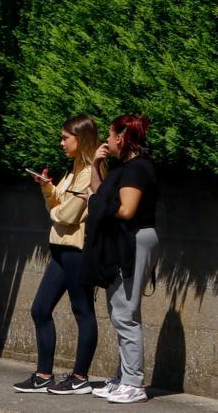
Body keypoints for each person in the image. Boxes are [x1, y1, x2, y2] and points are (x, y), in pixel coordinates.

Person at [12, 115, 101, 395]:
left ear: (81, 139)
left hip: (77, 250)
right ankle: (43, 374)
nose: (61, 142)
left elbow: (70, 214)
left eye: (66, 138)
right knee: (40, 309)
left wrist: (56, 210)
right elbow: (60, 205)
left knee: (83, 311)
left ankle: (79, 377)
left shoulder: (90, 173)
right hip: (60, 248)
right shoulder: (73, 171)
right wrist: (48, 188)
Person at [86, 114, 157, 405]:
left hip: (133, 240)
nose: (107, 140)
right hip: (124, 241)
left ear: (121, 137)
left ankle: (134, 383)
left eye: (110, 135)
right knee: (120, 312)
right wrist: (95, 165)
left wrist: (97, 204)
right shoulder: (124, 168)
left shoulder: (137, 169)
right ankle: (122, 378)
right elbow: (98, 192)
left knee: (126, 314)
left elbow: (126, 210)